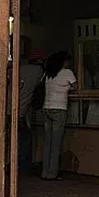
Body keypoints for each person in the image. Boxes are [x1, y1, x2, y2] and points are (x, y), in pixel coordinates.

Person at [41, 51, 76, 180]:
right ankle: (52, 174)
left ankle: (44, 172)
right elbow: (77, 87)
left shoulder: (48, 74)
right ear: (63, 62)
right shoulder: (67, 73)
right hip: (59, 109)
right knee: (56, 143)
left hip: (46, 108)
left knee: (47, 142)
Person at [17, 45, 46, 170]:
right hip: (23, 110)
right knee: (25, 138)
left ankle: (12, 165)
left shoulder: (20, 69)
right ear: (40, 60)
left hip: (11, 109)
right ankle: (24, 166)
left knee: (14, 138)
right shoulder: (39, 71)